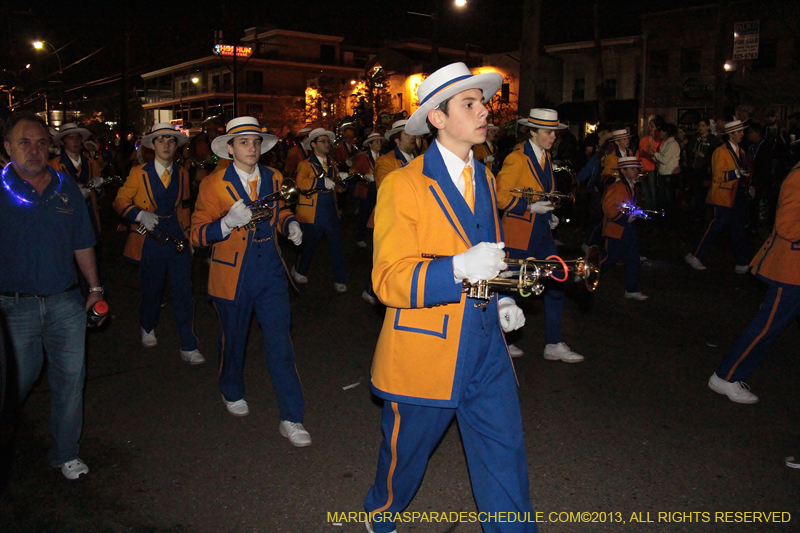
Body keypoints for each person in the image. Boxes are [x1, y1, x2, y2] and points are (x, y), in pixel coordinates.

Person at [363, 62, 535, 533]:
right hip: (426, 346)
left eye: (483, 102)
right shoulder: (403, 184)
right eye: (470, 104)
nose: (484, 112)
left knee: (505, 459)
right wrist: (458, 268)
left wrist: (500, 298)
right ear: (437, 119)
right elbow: (388, 280)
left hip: (485, 349)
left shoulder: (485, 174)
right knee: (404, 460)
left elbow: (491, 250)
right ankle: (379, 516)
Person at [190, 117, 309, 446]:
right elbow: (197, 234)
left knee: (281, 344)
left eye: (256, 142)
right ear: (229, 148)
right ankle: (231, 388)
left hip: (270, 270)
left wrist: (290, 225)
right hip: (233, 272)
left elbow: (281, 210)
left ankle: (292, 417)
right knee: (234, 339)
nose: (252, 148)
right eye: (243, 142)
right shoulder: (213, 184)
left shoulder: (273, 177)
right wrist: (226, 223)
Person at [0, 111, 105, 480]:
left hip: (65, 301)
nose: (34, 150)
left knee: (71, 379)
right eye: (24, 143)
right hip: (14, 306)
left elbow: (82, 243)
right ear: (8, 147)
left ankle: (65, 452)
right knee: (17, 382)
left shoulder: (67, 190)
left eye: (42, 142)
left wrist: (94, 289)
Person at [496, 108, 585, 363]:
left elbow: (546, 193)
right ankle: (503, 340)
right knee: (512, 286)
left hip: (542, 231)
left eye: (555, 133)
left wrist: (550, 214)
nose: (553, 137)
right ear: (532, 132)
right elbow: (500, 196)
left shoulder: (545, 156)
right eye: (548, 132)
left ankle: (554, 343)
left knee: (556, 279)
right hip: (519, 232)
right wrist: (530, 207)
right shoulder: (517, 159)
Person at [707, 159, 800, 404]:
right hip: (791, 271)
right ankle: (725, 376)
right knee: (766, 328)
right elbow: (787, 227)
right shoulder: (798, 177)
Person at [113, 123, 203, 363]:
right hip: (150, 236)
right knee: (152, 288)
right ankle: (148, 324)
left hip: (176, 235)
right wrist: (138, 214)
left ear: (177, 146)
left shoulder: (182, 173)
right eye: (161, 140)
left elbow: (184, 208)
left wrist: (189, 237)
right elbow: (119, 201)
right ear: (152, 145)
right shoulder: (139, 172)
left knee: (184, 291)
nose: (166, 144)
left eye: (171, 140)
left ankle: (188, 344)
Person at [685, 120, 752, 272]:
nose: (742, 134)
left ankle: (742, 262)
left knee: (738, 228)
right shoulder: (720, 151)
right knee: (715, 226)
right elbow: (717, 176)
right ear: (731, 134)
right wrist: (737, 173)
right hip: (722, 196)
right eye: (739, 131)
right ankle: (695, 255)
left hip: (736, 195)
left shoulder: (740, 152)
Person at [291, 127, 349, 292]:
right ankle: (300, 269)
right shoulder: (305, 164)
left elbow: (338, 189)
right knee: (308, 245)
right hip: (312, 211)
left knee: (337, 246)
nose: (327, 144)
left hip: (330, 210)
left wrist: (343, 180)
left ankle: (339, 280)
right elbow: (301, 183)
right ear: (314, 145)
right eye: (322, 141)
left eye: (327, 141)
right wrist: (320, 183)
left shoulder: (331, 164)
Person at [599, 157, 648, 300]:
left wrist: (635, 212)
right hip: (616, 229)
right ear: (623, 170)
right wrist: (625, 218)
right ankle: (586, 272)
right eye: (632, 168)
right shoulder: (617, 187)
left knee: (632, 257)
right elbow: (608, 208)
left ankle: (632, 289)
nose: (636, 171)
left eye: (635, 168)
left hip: (625, 228)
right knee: (610, 258)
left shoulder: (630, 186)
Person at [49, 123, 104, 238]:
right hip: (66, 219)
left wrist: (98, 188)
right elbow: (50, 197)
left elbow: (101, 195)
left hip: (89, 217)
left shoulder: (91, 163)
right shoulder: (53, 166)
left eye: (78, 137)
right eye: (70, 138)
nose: (75, 141)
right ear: (63, 142)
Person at [350, 131, 380, 249]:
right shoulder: (363, 156)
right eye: (376, 141)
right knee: (365, 214)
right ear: (370, 144)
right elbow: (353, 171)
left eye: (380, 141)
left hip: (378, 188)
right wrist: (364, 176)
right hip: (367, 189)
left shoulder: (383, 156)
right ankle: (360, 237)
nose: (379, 143)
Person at [638, 116, 663, 210]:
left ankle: (654, 210)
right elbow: (638, 152)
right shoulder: (643, 140)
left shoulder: (660, 142)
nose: (650, 128)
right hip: (642, 168)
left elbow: (659, 156)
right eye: (650, 126)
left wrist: (649, 153)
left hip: (653, 169)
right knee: (645, 191)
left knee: (653, 191)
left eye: (652, 126)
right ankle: (648, 210)